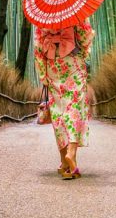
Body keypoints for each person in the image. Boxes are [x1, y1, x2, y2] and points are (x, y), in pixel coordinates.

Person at [34, 19, 95, 180]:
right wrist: (84, 50)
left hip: (53, 65)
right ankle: (71, 152)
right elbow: (85, 35)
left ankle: (64, 162)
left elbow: (38, 47)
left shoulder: (43, 15)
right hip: (73, 63)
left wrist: (43, 74)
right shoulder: (74, 13)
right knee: (74, 106)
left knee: (57, 110)